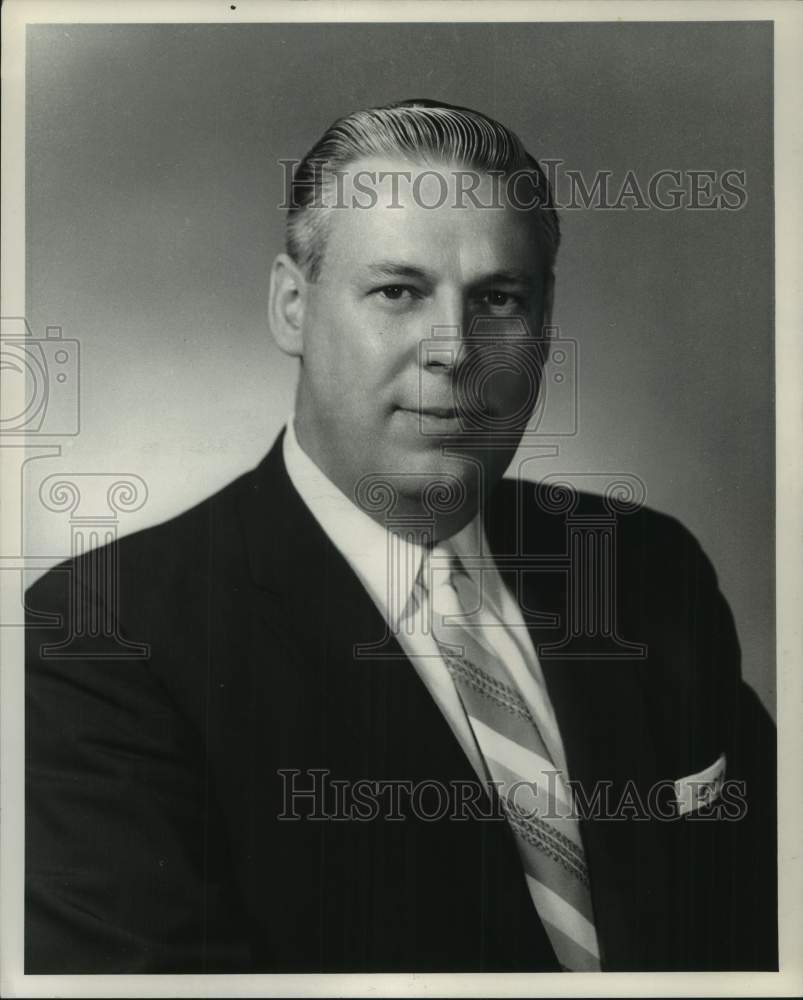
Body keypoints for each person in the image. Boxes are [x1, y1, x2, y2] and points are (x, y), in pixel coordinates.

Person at [25, 99, 776, 974]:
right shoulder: (104, 638)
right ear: (291, 307)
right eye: (397, 292)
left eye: (498, 298)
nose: (454, 349)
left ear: (543, 325)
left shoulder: (644, 565)